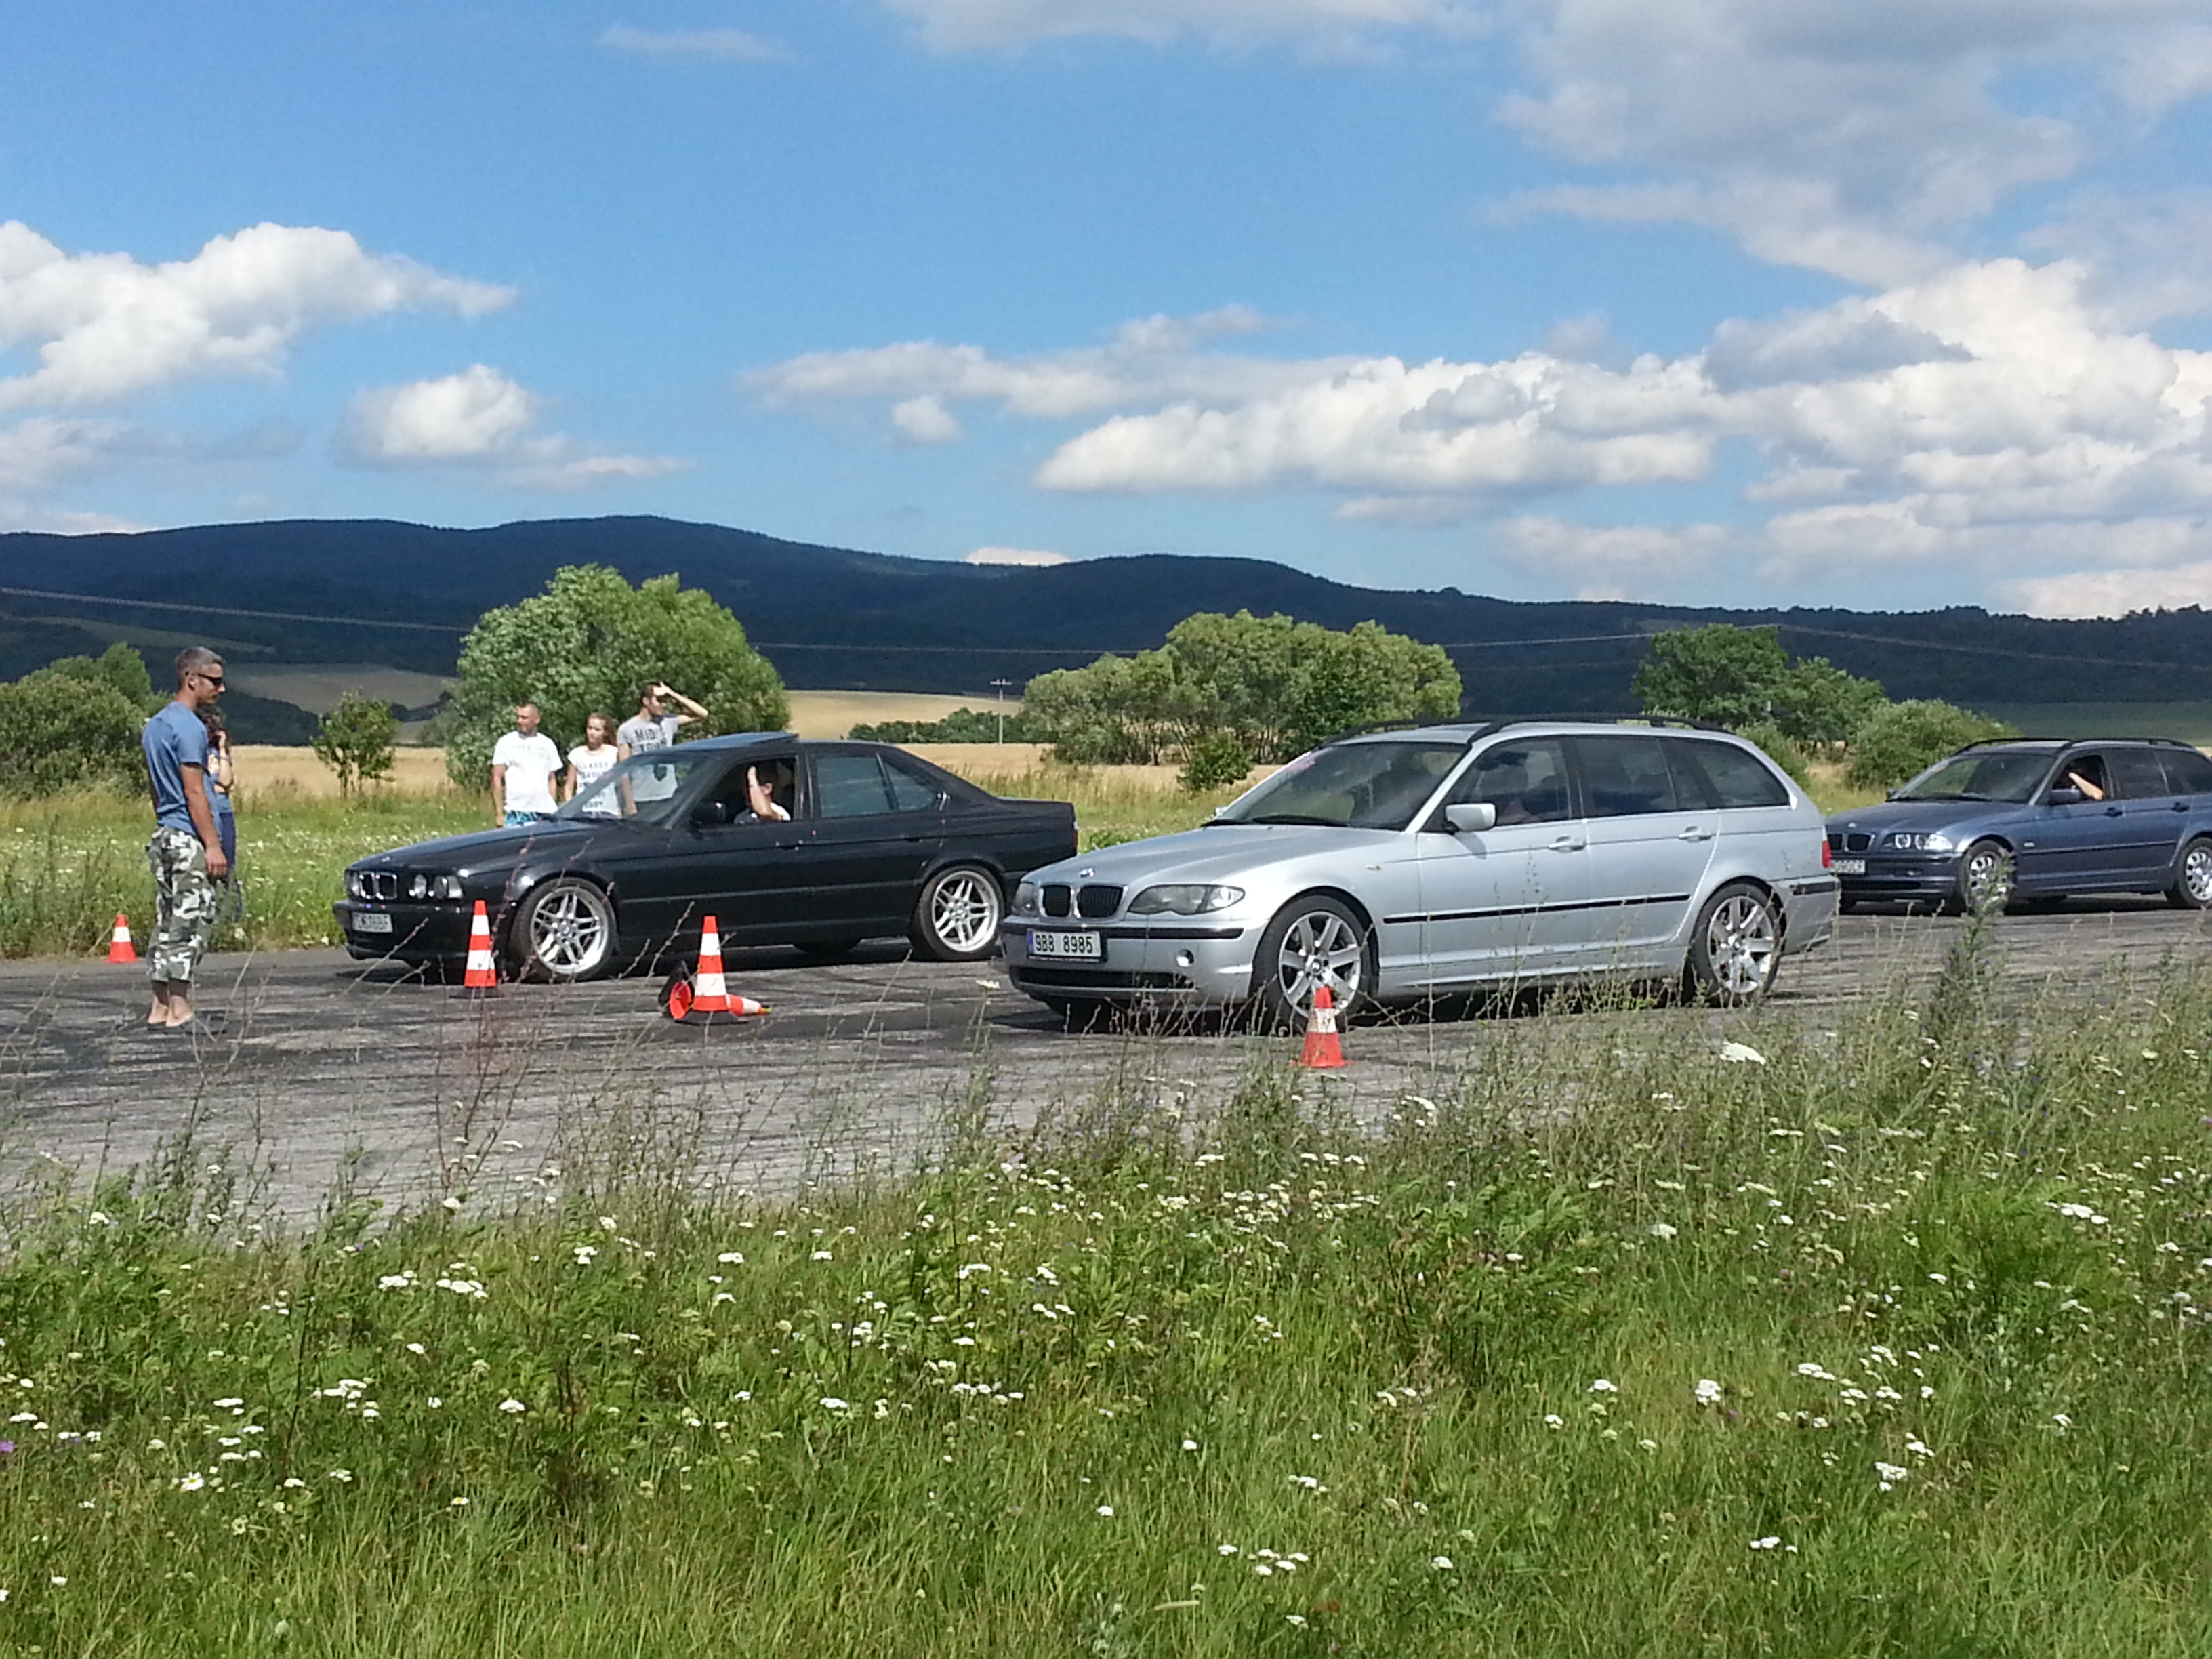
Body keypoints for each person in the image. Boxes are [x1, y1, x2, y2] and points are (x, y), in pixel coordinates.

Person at [142, 647, 230, 1031]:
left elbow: (155, 787)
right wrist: (213, 844)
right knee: (190, 921)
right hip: (186, 836)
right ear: (191, 679)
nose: (221, 689)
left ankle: (159, 1006)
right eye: (214, 681)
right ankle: (180, 1009)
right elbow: (194, 791)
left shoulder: (156, 725)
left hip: (164, 832)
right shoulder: (190, 728)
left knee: (166, 920)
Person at [617, 683, 709, 805]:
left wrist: (672, 693)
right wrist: (629, 803)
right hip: (642, 797)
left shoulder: (668, 722)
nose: (664, 705)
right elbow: (624, 769)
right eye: (659, 701)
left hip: (669, 794)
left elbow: (703, 713)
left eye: (665, 701)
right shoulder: (626, 729)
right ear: (646, 701)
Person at [491, 703, 563, 827]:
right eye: (518, 717)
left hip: (543, 813)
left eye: (524, 718)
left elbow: (551, 778)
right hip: (516, 812)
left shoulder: (547, 744)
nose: (519, 721)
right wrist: (499, 813)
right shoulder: (507, 742)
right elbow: (497, 777)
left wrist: (552, 804)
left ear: (536, 720)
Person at [199, 703, 239, 874]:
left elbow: (226, 781)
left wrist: (222, 749)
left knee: (228, 863)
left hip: (223, 809)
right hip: (205, 809)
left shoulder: (218, 752)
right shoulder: (196, 751)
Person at [565, 712, 621, 816]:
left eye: (597, 729)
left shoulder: (614, 753)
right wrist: (568, 809)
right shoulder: (576, 754)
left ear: (605, 732)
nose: (592, 733)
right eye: (590, 728)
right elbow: (569, 786)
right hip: (584, 811)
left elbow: (621, 784)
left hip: (608, 811)